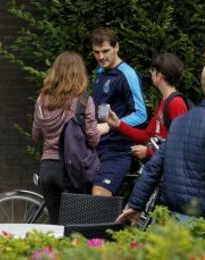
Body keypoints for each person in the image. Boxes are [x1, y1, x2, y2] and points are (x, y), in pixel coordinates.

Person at [116, 63, 205, 225]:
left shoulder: (180, 121)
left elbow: (154, 166)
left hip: (168, 218)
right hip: (200, 220)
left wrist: (136, 205)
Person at [32, 51, 100, 224]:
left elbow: (36, 135)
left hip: (47, 168)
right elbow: (92, 138)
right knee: (76, 227)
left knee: (55, 227)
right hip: (73, 171)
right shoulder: (84, 100)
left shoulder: (42, 99)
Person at [90, 27, 147, 196]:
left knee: (98, 198)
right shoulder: (101, 73)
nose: (101, 56)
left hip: (117, 151)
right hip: (96, 149)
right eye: (96, 52)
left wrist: (109, 126)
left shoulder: (127, 74)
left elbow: (141, 114)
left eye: (105, 51)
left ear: (117, 47)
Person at [106, 52, 188, 159]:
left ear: (160, 75)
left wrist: (149, 152)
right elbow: (147, 136)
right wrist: (118, 124)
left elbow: (181, 144)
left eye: (153, 70)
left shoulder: (176, 103)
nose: (151, 73)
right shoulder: (164, 102)